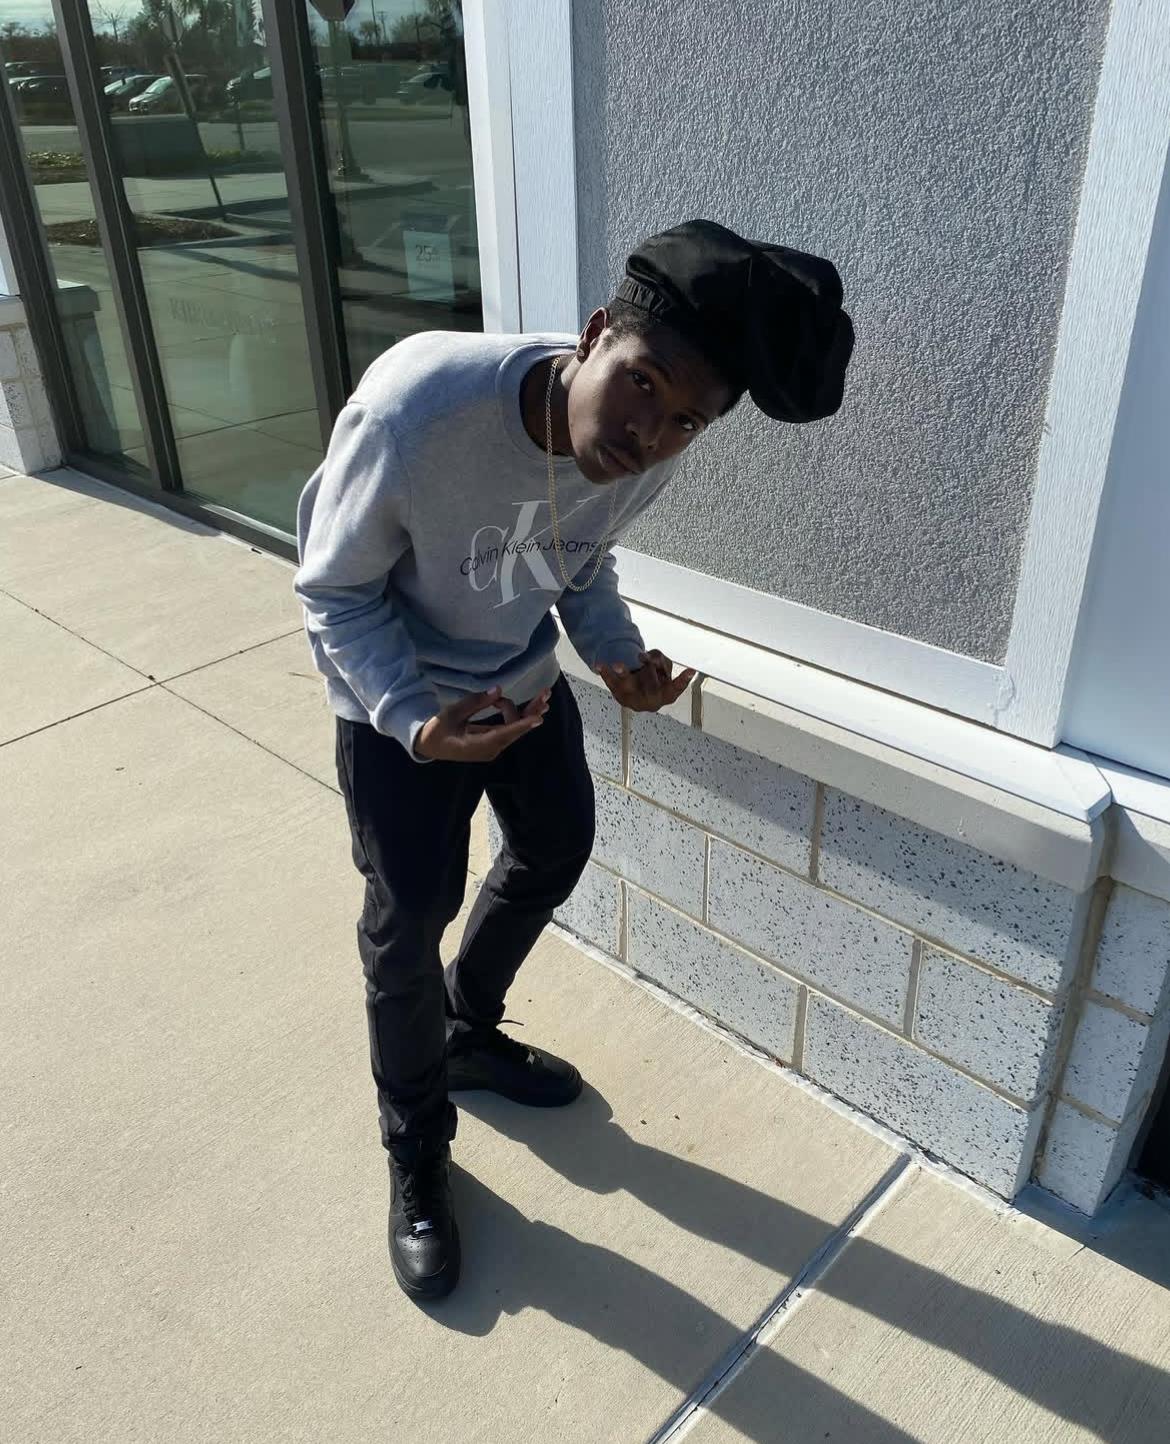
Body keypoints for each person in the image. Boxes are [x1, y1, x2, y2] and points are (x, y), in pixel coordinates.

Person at [294, 218, 854, 1302]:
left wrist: (616, 656)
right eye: (642, 385)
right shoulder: (417, 411)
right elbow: (334, 590)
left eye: (687, 420)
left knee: (556, 844)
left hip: (519, 680)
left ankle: (467, 1025)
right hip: (401, 706)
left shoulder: (647, 453)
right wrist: (415, 720)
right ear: (594, 335)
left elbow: (578, 561)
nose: (649, 433)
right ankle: (417, 1148)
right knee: (407, 923)